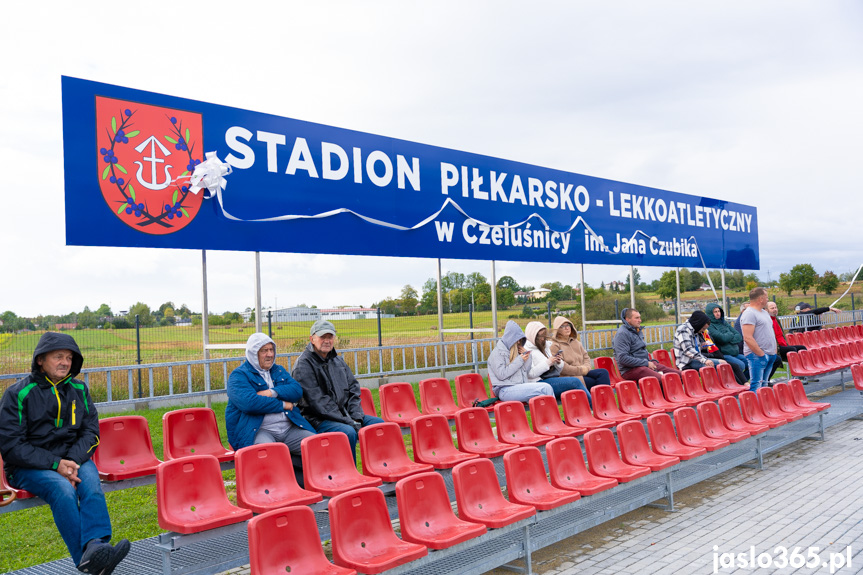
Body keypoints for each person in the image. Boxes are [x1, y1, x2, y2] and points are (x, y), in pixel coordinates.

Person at [0, 333, 130, 574]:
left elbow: (91, 431)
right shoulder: (17, 393)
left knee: (91, 484)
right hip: (27, 467)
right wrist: (55, 464)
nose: (65, 362)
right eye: (58, 356)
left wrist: (70, 462)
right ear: (40, 360)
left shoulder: (79, 389)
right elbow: (11, 446)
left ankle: (96, 546)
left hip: (73, 458)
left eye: (69, 357)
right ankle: (90, 561)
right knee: (62, 489)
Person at [225, 333, 316, 485]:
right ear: (253, 353)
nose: (269, 355)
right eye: (264, 351)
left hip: (288, 429)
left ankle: (315, 490)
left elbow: (296, 391)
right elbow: (250, 403)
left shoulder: (278, 370)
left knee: (316, 445)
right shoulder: (238, 376)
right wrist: (282, 404)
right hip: (258, 430)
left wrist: (271, 393)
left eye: (271, 350)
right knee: (269, 454)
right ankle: (272, 496)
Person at [293, 320, 383, 462]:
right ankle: (349, 474)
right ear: (312, 339)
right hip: (317, 419)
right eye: (323, 337)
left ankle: (378, 466)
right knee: (347, 432)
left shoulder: (338, 361)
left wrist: (356, 417)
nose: (327, 341)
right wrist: (348, 421)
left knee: (378, 425)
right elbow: (317, 402)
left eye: (330, 337)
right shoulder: (303, 365)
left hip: (345, 414)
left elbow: (354, 389)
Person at [487, 320, 554, 402]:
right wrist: (520, 360)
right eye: (517, 340)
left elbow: (525, 371)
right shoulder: (497, 353)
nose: (519, 342)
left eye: (521, 340)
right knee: (545, 388)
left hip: (518, 387)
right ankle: (552, 415)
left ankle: (546, 415)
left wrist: (528, 357)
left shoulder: (514, 351)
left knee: (543, 394)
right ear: (510, 338)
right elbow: (502, 374)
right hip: (505, 390)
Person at [523, 321, 591, 402]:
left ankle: (590, 409)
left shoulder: (545, 346)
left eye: (544, 336)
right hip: (539, 383)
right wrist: (548, 362)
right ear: (532, 336)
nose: (542, 339)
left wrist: (558, 362)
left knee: (581, 380)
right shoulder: (527, 350)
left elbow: (557, 369)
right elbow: (530, 374)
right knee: (575, 381)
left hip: (552, 378)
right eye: (539, 337)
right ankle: (594, 408)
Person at [612, 308, 681, 381]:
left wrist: (649, 363)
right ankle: (666, 392)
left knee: (678, 375)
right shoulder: (622, 334)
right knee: (664, 379)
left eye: (640, 317)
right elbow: (623, 358)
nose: (640, 320)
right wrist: (646, 363)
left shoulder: (637, 331)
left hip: (644, 365)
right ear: (627, 319)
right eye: (636, 318)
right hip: (630, 370)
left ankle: (684, 390)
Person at [549, 316, 612, 390]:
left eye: (568, 325)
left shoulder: (576, 342)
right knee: (595, 381)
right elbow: (562, 367)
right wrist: (581, 370)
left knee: (603, 372)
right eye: (563, 326)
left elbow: (586, 357)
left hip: (584, 371)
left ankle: (604, 400)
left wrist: (587, 368)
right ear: (558, 330)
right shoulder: (554, 345)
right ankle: (602, 400)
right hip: (570, 376)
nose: (567, 328)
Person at [740, 287, 778, 393]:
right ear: (761, 299)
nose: (767, 299)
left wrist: (773, 351)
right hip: (757, 355)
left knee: (764, 384)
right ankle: (753, 408)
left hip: (769, 353)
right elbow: (747, 337)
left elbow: (769, 331)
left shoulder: (764, 313)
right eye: (766, 297)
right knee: (757, 384)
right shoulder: (749, 313)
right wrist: (761, 354)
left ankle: (763, 408)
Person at [705, 303, 749, 385]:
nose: (718, 313)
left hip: (735, 352)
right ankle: (736, 383)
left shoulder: (724, 322)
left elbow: (739, 336)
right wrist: (729, 335)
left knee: (750, 363)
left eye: (719, 311)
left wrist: (727, 338)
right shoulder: (709, 326)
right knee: (741, 365)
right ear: (710, 313)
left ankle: (740, 382)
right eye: (715, 312)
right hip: (723, 354)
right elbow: (722, 338)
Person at [766, 301, 807, 381]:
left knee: (802, 348)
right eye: (772, 308)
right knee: (792, 350)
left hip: (783, 345)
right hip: (775, 347)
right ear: (766, 310)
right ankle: (796, 373)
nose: (775, 310)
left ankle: (804, 371)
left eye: (775, 307)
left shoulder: (776, 319)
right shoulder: (767, 320)